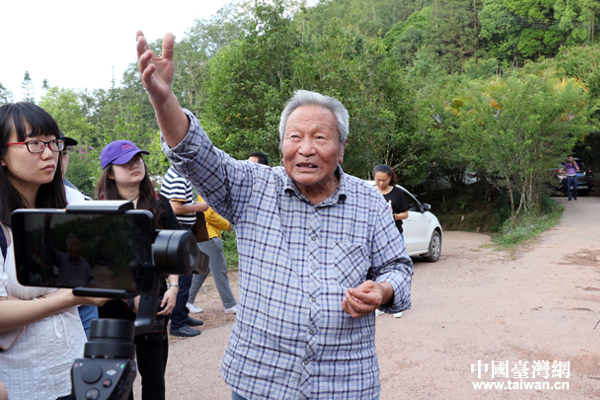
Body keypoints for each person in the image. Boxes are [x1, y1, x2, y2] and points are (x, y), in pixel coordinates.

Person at [136, 31, 413, 400]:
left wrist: (383, 289)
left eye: (320, 137)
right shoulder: (251, 186)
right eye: (295, 137)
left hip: (346, 383)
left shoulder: (369, 202)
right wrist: (164, 99)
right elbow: (195, 154)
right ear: (282, 144)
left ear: (342, 148)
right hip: (261, 382)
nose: (306, 149)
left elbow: (398, 267)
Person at [0, 101, 105, 400]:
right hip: (18, 383)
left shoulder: (68, 206)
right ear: (2, 155)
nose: (49, 154)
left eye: (53, 143)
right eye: (34, 144)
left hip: (73, 368)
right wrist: (72, 296)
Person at [95, 140, 181, 400]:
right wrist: (128, 297)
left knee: (154, 376)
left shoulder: (159, 203)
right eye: (125, 163)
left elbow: (173, 251)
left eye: (137, 159)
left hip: (154, 302)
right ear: (110, 173)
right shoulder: (98, 208)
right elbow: (97, 262)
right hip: (112, 306)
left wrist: (174, 287)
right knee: (118, 379)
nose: (135, 165)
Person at [160, 165, 207, 335]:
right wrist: (197, 207)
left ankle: (181, 314)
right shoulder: (179, 177)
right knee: (183, 277)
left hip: (180, 230)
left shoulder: (177, 173)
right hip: (179, 229)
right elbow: (175, 208)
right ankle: (177, 324)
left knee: (187, 275)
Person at [58, 130, 97, 337]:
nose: (58, 160)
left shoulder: (75, 197)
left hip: (83, 302)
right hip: (43, 307)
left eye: (64, 153)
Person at [187, 195, 238, 314]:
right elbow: (209, 214)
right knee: (220, 269)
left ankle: (187, 300)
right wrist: (227, 224)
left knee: (202, 269)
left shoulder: (205, 190)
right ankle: (229, 304)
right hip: (209, 236)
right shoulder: (206, 191)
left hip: (205, 235)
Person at [373, 164, 409, 240]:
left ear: (390, 178)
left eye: (384, 180)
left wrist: (394, 216)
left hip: (394, 234)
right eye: (378, 180)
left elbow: (405, 214)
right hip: (375, 235)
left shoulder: (398, 193)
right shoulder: (370, 191)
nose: (381, 183)